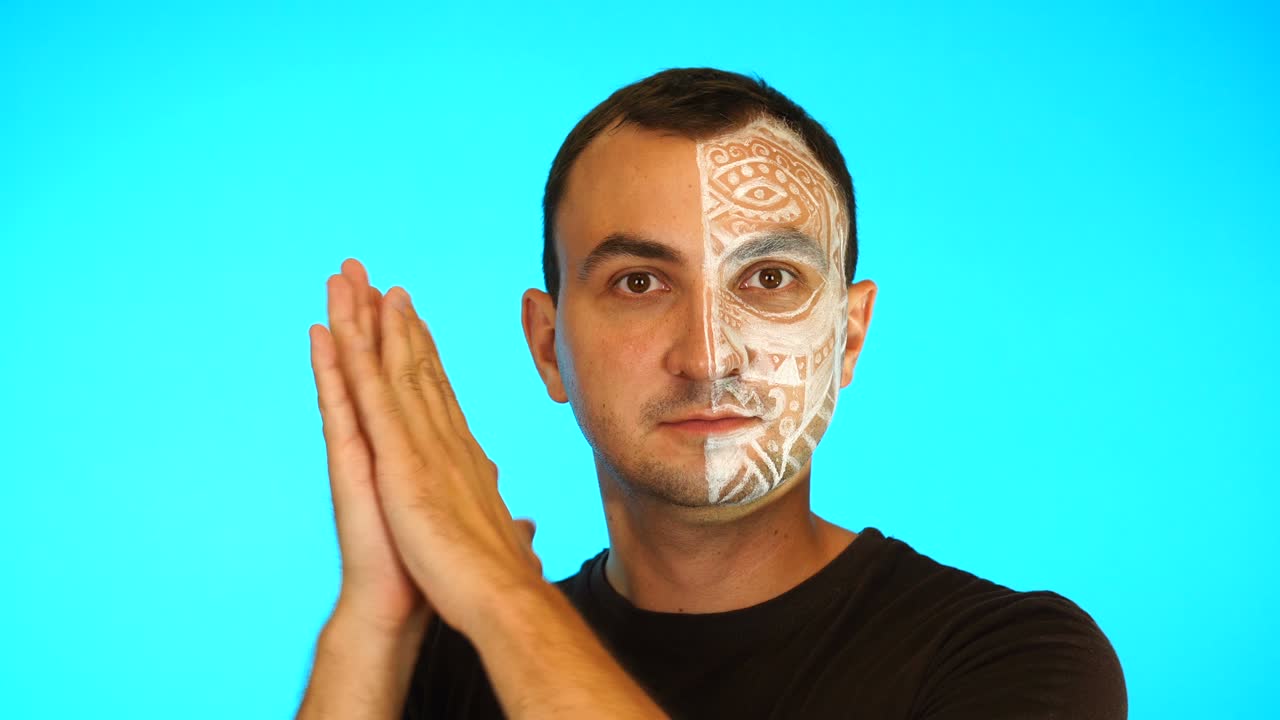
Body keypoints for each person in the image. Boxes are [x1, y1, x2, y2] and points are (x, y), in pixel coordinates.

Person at [296, 67, 1127, 719]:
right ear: (549, 348)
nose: (707, 356)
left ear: (850, 335)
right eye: (639, 282)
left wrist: (498, 591)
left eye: (769, 278)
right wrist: (375, 621)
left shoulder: (1012, 658)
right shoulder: (447, 662)